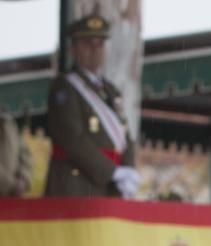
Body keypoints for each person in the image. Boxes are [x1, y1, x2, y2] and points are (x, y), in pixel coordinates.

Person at [43, 14, 138, 199]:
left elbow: (125, 135)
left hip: (109, 188)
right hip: (76, 186)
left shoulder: (111, 91)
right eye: (88, 44)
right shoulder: (64, 87)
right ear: (73, 49)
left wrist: (127, 170)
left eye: (100, 44)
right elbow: (72, 139)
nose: (94, 50)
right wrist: (111, 172)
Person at [0, 111, 32, 197]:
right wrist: (11, 184)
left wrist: (24, 178)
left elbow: (24, 154)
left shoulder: (8, 122)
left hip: (13, 195)